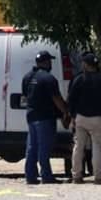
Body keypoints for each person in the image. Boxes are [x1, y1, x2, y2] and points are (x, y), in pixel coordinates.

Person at [67, 52, 101, 184]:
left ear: (85, 65)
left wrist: (72, 116)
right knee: (97, 146)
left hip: (81, 117)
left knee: (78, 146)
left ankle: (76, 176)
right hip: (97, 117)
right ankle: (98, 176)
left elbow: (71, 99)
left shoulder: (79, 79)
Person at [22, 51, 70, 185]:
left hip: (31, 116)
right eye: (50, 61)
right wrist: (65, 111)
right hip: (45, 117)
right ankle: (46, 176)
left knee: (32, 147)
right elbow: (57, 99)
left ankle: (30, 176)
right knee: (44, 147)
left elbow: (25, 96)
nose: (51, 64)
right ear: (46, 62)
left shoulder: (27, 77)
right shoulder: (49, 78)